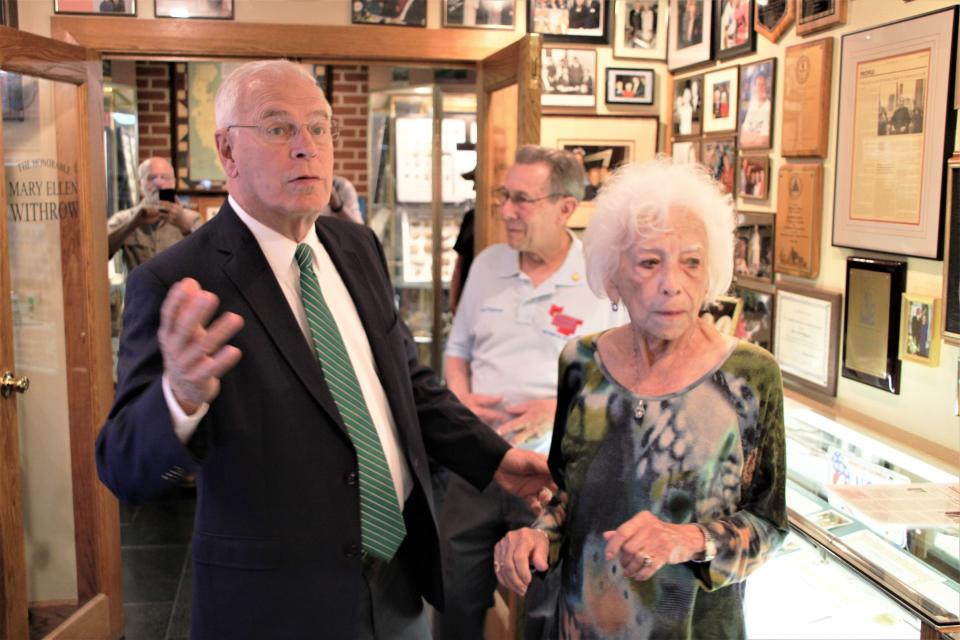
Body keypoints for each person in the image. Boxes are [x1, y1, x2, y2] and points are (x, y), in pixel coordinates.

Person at [95, 60, 552, 640]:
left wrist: (493, 458)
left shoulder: (355, 245)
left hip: (398, 580)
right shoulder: (179, 280)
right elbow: (124, 470)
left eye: (319, 127)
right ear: (228, 151)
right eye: (279, 128)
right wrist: (178, 398)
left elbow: (406, 386)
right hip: (277, 604)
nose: (307, 147)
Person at [493, 160, 788, 639]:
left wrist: (687, 539)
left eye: (691, 262)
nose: (673, 282)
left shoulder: (749, 376)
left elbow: (769, 528)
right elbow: (570, 498)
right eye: (650, 262)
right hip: (583, 626)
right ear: (613, 277)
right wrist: (537, 536)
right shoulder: (581, 363)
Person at [436, 145, 625, 640]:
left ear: (566, 207)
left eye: (522, 199)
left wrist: (558, 408)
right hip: (475, 464)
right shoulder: (487, 265)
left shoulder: (602, 278)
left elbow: (622, 379)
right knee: (453, 596)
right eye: (504, 196)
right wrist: (459, 398)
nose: (505, 211)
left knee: (546, 609)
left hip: (552, 473)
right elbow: (457, 348)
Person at [107, 156, 203, 272]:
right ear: (139, 185)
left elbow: (209, 258)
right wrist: (133, 222)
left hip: (180, 289)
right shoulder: (123, 218)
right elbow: (101, 252)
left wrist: (185, 228)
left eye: (165, 177)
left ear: (173, 183)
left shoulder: (192, 219)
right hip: (139, 289)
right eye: (151, 178)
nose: (159, 183)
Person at [449, 168, 477, 315]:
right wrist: (454, 298)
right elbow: (460, 262)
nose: (474, 187)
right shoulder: (470, 217)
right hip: (466, 298)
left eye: (476, 182)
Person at [740, 72, 771, 148]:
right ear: (755, 87)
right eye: (758, 85)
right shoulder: (752, 106)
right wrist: (757, 136)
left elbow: (764, 140)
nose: (761, 88)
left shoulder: (769, 107)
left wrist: (751, 136)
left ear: (766, 86)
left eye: (763, 84)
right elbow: (742, 138)